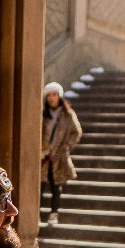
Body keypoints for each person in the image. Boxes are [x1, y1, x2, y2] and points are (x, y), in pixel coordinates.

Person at [40, 82, 81, 227]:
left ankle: (53, 214)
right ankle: (36, 215)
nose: (51, 98)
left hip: (58, 156)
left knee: (56, 186)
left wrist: (66, 146)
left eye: (54, 95)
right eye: (49, 95)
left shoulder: (67, 114)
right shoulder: (43, 114)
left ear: (59, 96)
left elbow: (76, 132)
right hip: (43, 155)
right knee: (40, 186)